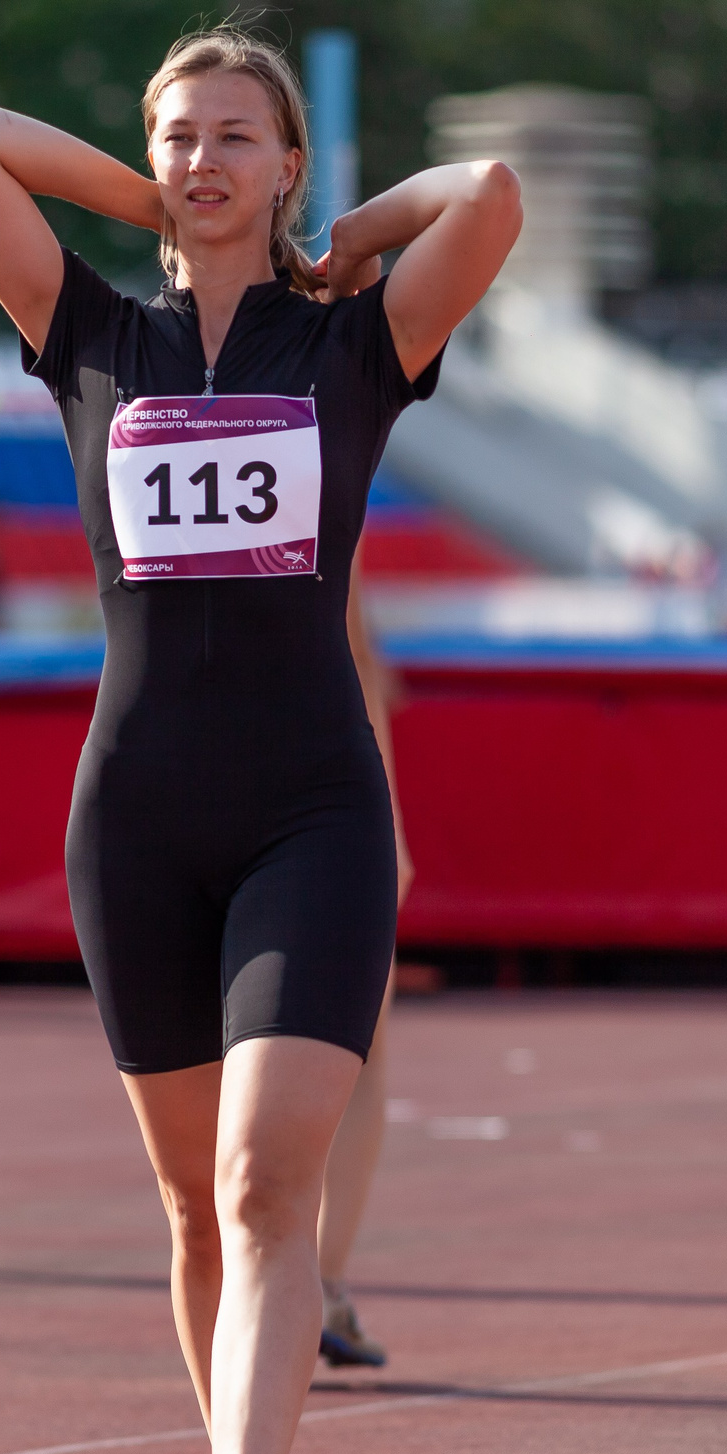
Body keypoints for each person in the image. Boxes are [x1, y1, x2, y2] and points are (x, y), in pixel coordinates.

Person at [0, 30, 519, 1454]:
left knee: (270, 1181)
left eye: (234, 138)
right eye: (179, 136)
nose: (201, 159)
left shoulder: (351, 341)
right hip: (133, 819)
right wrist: (150, 195)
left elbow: (488, 194)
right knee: (195, 1207)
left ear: (290, 165)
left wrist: (336, 232)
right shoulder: (90, 333)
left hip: (313, 812)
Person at [317, 553, 413, 1368]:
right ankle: (317, 1279)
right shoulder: (306, 462)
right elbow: (360, 661)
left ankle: (312, 1281)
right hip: (320, 808)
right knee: (362, 1055)